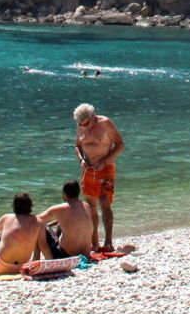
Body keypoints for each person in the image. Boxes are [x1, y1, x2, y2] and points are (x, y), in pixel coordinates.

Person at [73, 102, 125, 252]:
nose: (84, 127)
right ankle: (94, 242)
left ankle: (108, 242)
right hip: (88, 169)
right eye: (80, 124)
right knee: (90, 207)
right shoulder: (81, 126)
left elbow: (120, 145)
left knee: (105, 202)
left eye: (86, 123)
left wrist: (105, 161)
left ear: (93, 117)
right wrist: (81, 159)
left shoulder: (105, 123)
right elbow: (77, 146)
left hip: (105, 167)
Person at [0, 192, 47, 275]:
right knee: (37, 242)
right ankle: (33, 266)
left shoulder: (7, 217)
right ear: (30, 206)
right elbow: (43, 246)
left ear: (14, 205)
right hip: (20, 267)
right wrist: (51, 262)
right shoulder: (39, 222)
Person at [39, 180, 98, 258]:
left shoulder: (60, 208)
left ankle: (36, 258)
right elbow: (72, 220)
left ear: (64, 194)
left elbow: (35, 220)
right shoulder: (86, 206)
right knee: (60, 225)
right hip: (85, 254)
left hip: (65, 255)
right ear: (78, 193)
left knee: (40, 225)